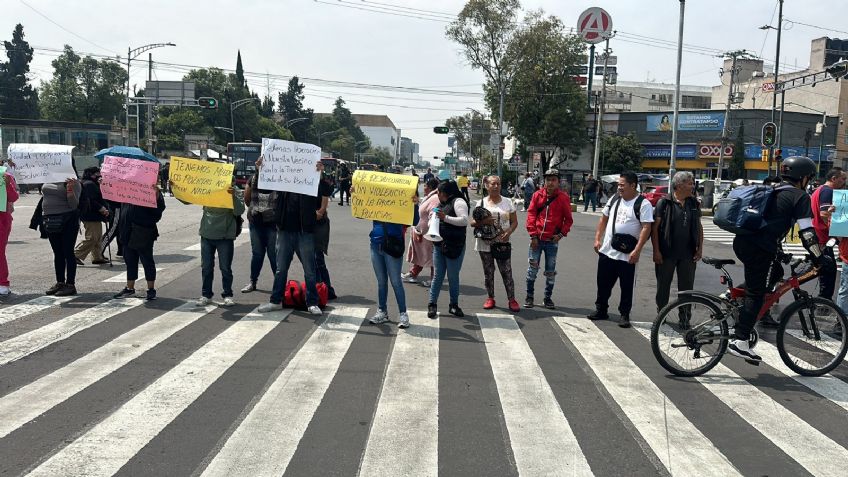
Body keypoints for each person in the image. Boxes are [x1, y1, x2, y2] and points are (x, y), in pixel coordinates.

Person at [729, 156, 828, 361]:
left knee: (775, 272)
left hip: (744, 242)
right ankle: (740, 340)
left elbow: (771, 224)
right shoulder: (799, 196)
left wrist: (780, 253)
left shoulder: (775, 190)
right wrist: (818, 257)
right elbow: (807, 233)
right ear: (803, 178)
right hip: (759, 248)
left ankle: (731, 298)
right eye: (809, 178)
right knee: (757, 293)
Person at [257, 159, 324, 316]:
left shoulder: (310, 183)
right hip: (284, 230)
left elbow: (323, 193)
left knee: (309, 269)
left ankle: (312, 302)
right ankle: (275, 301)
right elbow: (264, 189)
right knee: (281, 269)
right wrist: (261, 170)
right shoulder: (282, 180)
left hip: (304, 231)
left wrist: (319, 174)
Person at [590, 172, 654, 327]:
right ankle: (601, 309)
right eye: (618, 184)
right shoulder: (614, 199)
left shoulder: (643, 204)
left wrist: (637, 250)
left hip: (628, 254)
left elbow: (647, 227)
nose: (619, 187)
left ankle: (624, 314)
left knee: (626, 286)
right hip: (607, 251)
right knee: (603, 283)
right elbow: (603, 219)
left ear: (633, 185)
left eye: (622, 184)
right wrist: (597, 239)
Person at [652, 171, 703, 312]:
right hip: (666, 253)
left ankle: (685, 318)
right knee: (663, 286)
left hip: (688, 254)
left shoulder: (693, 203)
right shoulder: (664, 202)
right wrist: (656, 251)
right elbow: (654, 229)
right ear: (679, 185)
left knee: (686, 289)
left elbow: (699, 226)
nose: (692, 186)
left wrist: (699, 248)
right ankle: (661, 314)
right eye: (690, 183)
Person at [524, 168, 574, 309]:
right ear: (544, 181)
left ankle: (547, 298)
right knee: (532, 269)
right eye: (548, 180)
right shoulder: (537, 195)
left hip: (552, 242)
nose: (550, 183)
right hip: (536, 240)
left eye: (553, 180)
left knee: (550, 271)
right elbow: (531, 215)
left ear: (558, 182)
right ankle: (529, 296)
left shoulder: (563, 198)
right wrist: (533, 235)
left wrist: (560, 235)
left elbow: (568, 220)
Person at [471, 175, 519, 312]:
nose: (496, 186)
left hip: (502, 243)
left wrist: (509, 232)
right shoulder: (481, 203)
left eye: (498, 184)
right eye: (493, 184)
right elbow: (472, 223)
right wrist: (484, 222)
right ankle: (490, 297)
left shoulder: (508, 202)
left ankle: (512, 299)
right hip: (484, 244)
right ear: (487, 186)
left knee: (507, 272)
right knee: (488, 272)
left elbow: (515, 222)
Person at [193, 185, 245, 307]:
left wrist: (232, 196)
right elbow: (188, 197)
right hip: (207, 234)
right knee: (206, 267)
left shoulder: (234, 189)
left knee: (225, 268)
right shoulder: (207, 186)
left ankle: (227, 295)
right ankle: (206, 295)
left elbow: (239, 210)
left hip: (225, 236)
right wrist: (176, 187)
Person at [112, 188, 166, 301]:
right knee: (130, 261)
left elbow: (158, 211)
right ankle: (130, 288)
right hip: (127, 230)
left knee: (147, 261)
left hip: (143, 232)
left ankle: (151, 289)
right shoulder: (126, 189)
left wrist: (156, 195)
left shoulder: (150, 189)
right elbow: (113, 201)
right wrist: (107, 186)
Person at [427, 180, 468, 319]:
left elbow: (464, 220)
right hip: (439, 244)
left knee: (453, 277)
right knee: (438, 276)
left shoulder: (458, 202)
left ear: (444, 193)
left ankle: (454, 305)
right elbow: (434, 220)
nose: (437, 194)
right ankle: (432, 304)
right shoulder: (441, 204)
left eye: (438, 192)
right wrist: (431, 219)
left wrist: (446, 217)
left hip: (455, 245)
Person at [41, 178, 82, 296]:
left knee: (68, 252)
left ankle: (70, 284)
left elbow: (74, 205)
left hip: (68, 219)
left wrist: (69, 189)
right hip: (50, 219)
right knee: (57, 252)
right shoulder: (48, 177)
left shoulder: (73, 181)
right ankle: (60, 282)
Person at [809, 167, 845, 301]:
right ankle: (824, 300)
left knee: (822, 268)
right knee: (828, 271)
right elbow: (824, 213)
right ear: (834, 178)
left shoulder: (819, 190)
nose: (844, 181)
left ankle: (824, 299)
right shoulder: (827, 191)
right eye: (843, 179)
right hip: (822, 236)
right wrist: (837, 227)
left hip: (818, 235)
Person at [368, 218, 410, 328]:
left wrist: (414, 205)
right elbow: (360, 213)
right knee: (381, 281)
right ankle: (382, 311)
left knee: (396, 281)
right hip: (375, 244)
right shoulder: (377, 201)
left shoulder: (401, 201)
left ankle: (403, 313)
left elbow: (414, 220)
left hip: (393, 244)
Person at [241, 170, 278, 293]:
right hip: (256, 223)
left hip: (272, 224)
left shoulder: (279, 180)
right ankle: (253, 281)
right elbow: (246, 198)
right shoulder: (253, 179)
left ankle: (278, 284)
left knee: (273, 255)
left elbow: (247, 199)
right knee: (258, 254)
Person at [403, 177, 439, 286]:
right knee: (420, 253)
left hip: (428, 232)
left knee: (432, 256)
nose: (424, 187)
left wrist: (427, 227)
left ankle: (434, 280)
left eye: (425, 186)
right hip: (422, 231)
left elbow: (434, 212)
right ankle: (413, 273)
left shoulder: (435, 198)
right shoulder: (430, 196)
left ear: (430, 187)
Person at [74, 167, 110, 266]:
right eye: (97, 173)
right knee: (92, 238)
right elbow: (91, 200)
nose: (99, 175)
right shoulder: (89, 184)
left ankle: (97, 256)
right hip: (90, 215)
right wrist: (101, 208)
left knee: (97, 237)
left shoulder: (91, 183)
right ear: (91, 174)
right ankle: (76, 254)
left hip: (93, 215)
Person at [313, 162, 336, 299]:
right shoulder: (303, 184)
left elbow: (323, 206)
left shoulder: (323, 185)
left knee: (318, 257)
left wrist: (319, 213)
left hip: (319, 223)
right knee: (310, 259)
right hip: (305, 224)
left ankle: (327, 289)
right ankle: (317, 287)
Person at [0, 170, 20, 296]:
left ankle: (3, 282)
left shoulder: (5, 176)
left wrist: (7, 185)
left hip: (2, 219)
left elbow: (14, 197)